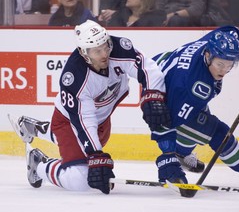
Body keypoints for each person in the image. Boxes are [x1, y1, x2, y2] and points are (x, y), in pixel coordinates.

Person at [9, 19, 173, 194]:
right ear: (84, 53)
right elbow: (84, 121)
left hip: (100, 119)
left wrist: (153, 95)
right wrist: (96, 155)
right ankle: (40, 164)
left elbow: (147, 68)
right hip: (69, 121)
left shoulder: (118, 48)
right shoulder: (74, 77)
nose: (104, 54)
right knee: (80, 181)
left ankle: (37, 128)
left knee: (79, 145)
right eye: (97, 51)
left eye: (105, 46)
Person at [147, 25, 239, 190]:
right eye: (220, 64)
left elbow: (233, 31)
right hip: (161, 95)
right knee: (217, 131)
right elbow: (163, 120)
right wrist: (167, 157)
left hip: (163, 70)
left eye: (229, 65)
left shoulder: (215, 44)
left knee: (199, 116)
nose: (224, 71)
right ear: (208, 56)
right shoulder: (192, 87)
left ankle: (181, 153)